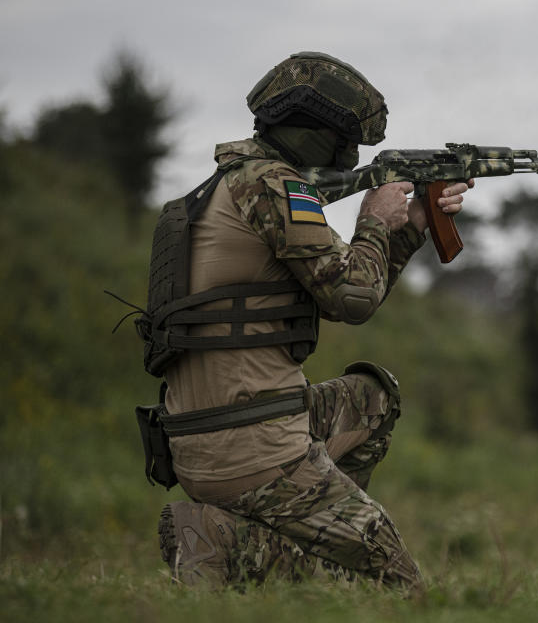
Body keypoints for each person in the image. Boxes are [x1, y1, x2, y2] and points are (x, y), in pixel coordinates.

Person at [144, 52, 471, 591]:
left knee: (374, 396)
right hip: (253, 444)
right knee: (396, 588)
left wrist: (407, 229)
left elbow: (351, 283)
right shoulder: (276, 187)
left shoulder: (231, 187)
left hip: (202, 436)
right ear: (321, 134)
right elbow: (353, 299)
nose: (352, 154)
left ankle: (299, 519)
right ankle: (225, 544)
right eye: (347, 142)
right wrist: (372, 219)